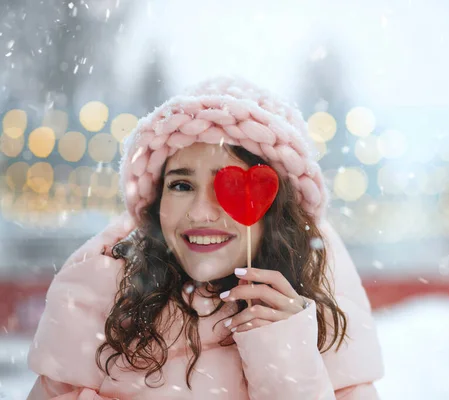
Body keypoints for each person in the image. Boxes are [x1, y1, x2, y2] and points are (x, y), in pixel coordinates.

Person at [26, 76, 384, 399]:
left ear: (277, 209)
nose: (200, 212)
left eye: (228, 187)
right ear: (156, 202)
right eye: (181, 185)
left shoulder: (328, 322)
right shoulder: (97, 304)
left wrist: (287, 357)